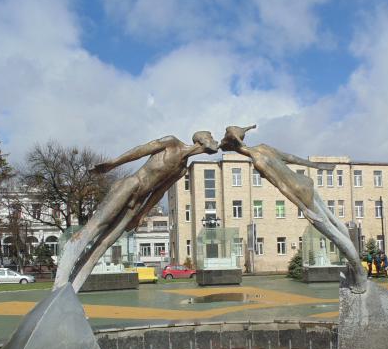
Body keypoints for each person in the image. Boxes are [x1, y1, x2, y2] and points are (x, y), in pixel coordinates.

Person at [54, 131, 219, 292]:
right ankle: (60, 281)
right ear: (202, 139)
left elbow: (159, 192)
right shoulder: (172, 143)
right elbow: (140, 151)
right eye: (211, 137)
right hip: (131, 185)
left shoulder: (182, 170)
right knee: (95, 227)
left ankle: (71, 290)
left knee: (105, 243)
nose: (215, 141)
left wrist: (141, 215)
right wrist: (113, 163)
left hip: (137, 203)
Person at [220, 125, 368, 292]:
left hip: (300, 192)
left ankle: (360, 275)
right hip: (305, 182)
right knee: (336, 223)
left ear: (233, 146)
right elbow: (291, 157)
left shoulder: (258, 161)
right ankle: (355, 267)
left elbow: (282, 186)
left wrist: (303, 208)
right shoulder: (263, 147)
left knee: (333, 234)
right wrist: (316, 166)